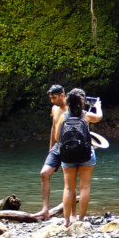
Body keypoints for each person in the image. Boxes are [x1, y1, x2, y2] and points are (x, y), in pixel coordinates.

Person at [32, 85, 102, 219]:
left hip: (69, 147)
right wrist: (51, 149)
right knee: (45, 174)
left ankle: (72, 217)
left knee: (69, 186)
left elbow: (62, 133)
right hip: (59, 147)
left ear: (64, 96)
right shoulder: (58, 109)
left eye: (54, 97)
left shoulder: (68, 113)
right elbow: (54, 130)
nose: (52, 100)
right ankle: (45, 209)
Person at [58, 88, 101, 226]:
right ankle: (81, 220)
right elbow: (99, 117)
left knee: (68, 188)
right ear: (82, 102)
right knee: (85, 188)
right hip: (86, 156)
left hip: (67, 156)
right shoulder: (86, 116)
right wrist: (97, 107)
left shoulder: (63, 117)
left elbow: (56, 138)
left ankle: (66, 220)